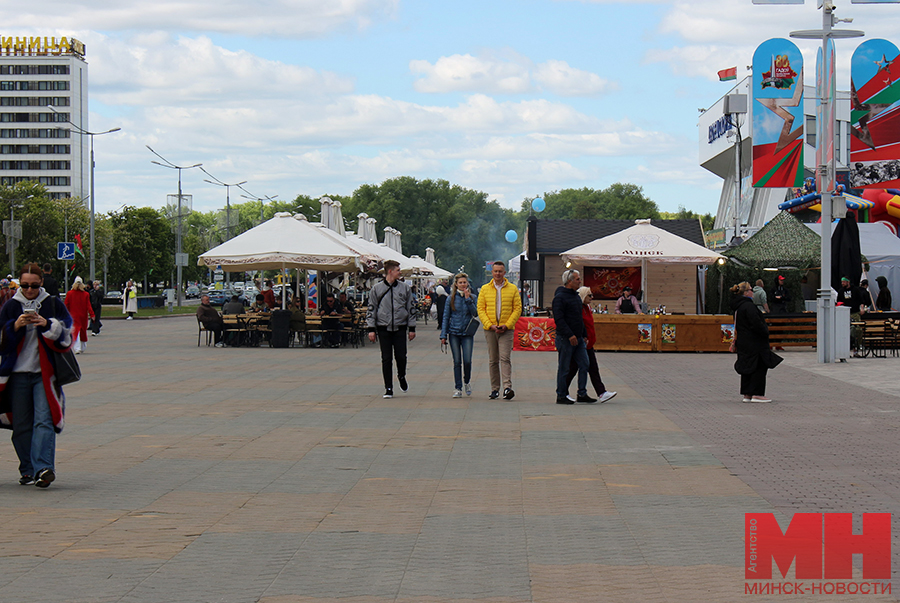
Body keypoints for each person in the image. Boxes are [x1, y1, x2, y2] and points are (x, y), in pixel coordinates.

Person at [0, 262, 73, 488]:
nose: (29, 290)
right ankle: (27, 469)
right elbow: (1, 341)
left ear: (41, 282)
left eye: (33, 285)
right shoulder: (12, 306)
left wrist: (47, 325)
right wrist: (15, 326)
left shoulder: (51, 303)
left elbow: (67, 334)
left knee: (44, 419)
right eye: (24, 285)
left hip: (44, 374)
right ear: (19, 285)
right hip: (17, 374)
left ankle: (43, 468)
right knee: (21, 424)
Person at [367, 260, 416, 398]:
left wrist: (411, 328)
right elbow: (372, 309)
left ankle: (401, 375)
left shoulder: (405, 288)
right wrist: (371, 328)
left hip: (400, 327)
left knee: (401, 356)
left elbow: (410, 308)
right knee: (386, 358)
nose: (400, 272)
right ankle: (388, 387)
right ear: (390, 271)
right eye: (398, 270)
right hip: (383, 327)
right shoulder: (377, 289)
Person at [476, 261, 521, 400]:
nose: (498, 274)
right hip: (490, 330)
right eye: (495, 271)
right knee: (493, 360)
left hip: (506, 330)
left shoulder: (512, 289)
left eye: (500, 271)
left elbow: (517, 308)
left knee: (505, 358)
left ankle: (507, 387)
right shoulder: (484, 289)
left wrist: (507, 325)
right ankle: (495, 388)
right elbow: (481, 309)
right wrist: (490, 325)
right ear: (492, 272)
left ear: (504, 273)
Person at [730, 282, 781, 403]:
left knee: (748, 366)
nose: (753, 292)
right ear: (746, 292)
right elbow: (756, 324)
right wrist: (765, 332)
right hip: (755, 342)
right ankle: (757, 394)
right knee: (759, 366)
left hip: (743, 342)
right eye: (751, 290)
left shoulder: (738, 307)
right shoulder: (749, 307)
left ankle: (747, 393)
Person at [566, 287, 617, 403]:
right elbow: (580, 324)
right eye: (589, 295)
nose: (591, 297)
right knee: (585, 367)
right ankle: (598, 392)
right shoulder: (578, 308)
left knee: (578, 368)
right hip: (582, 343)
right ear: (583, 296)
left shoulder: (587, 308)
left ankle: (570, 391)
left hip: (588, 343)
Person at [552, 270, 595, 404]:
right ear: (569, 281)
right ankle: (561, 394)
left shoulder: (576, 296)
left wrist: (584, 334)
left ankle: (582, 393)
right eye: (577, 279)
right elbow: (559, 319)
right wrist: (569, 334)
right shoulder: (560, 298)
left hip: (579, 338)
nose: (580, 281)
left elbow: (579, 318)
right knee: (564, 367)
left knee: (584, 364)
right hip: (566, 338)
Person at [440, 272, 478, 398]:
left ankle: (467, 381)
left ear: (467, 284)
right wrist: (443, 334)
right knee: (457, 361)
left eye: (464, 282)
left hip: (467, 333)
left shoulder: (472, 297)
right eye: (460, 283)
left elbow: (475, 313)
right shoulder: (450, 298)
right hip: (454, 333)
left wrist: (468, 300)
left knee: (467, 361)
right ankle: (458, 387)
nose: (462, 285)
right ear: (456, 284)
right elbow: (446, 316)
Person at [63, 277, 94, 355]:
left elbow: (66, 305)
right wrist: (92, 314)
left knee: (75, 331)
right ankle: (83, 347)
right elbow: (88, 305)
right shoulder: (86, 294)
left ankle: (77, 348)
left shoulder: (69, 293)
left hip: (73, 315)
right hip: (83, 315)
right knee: (83, 331)